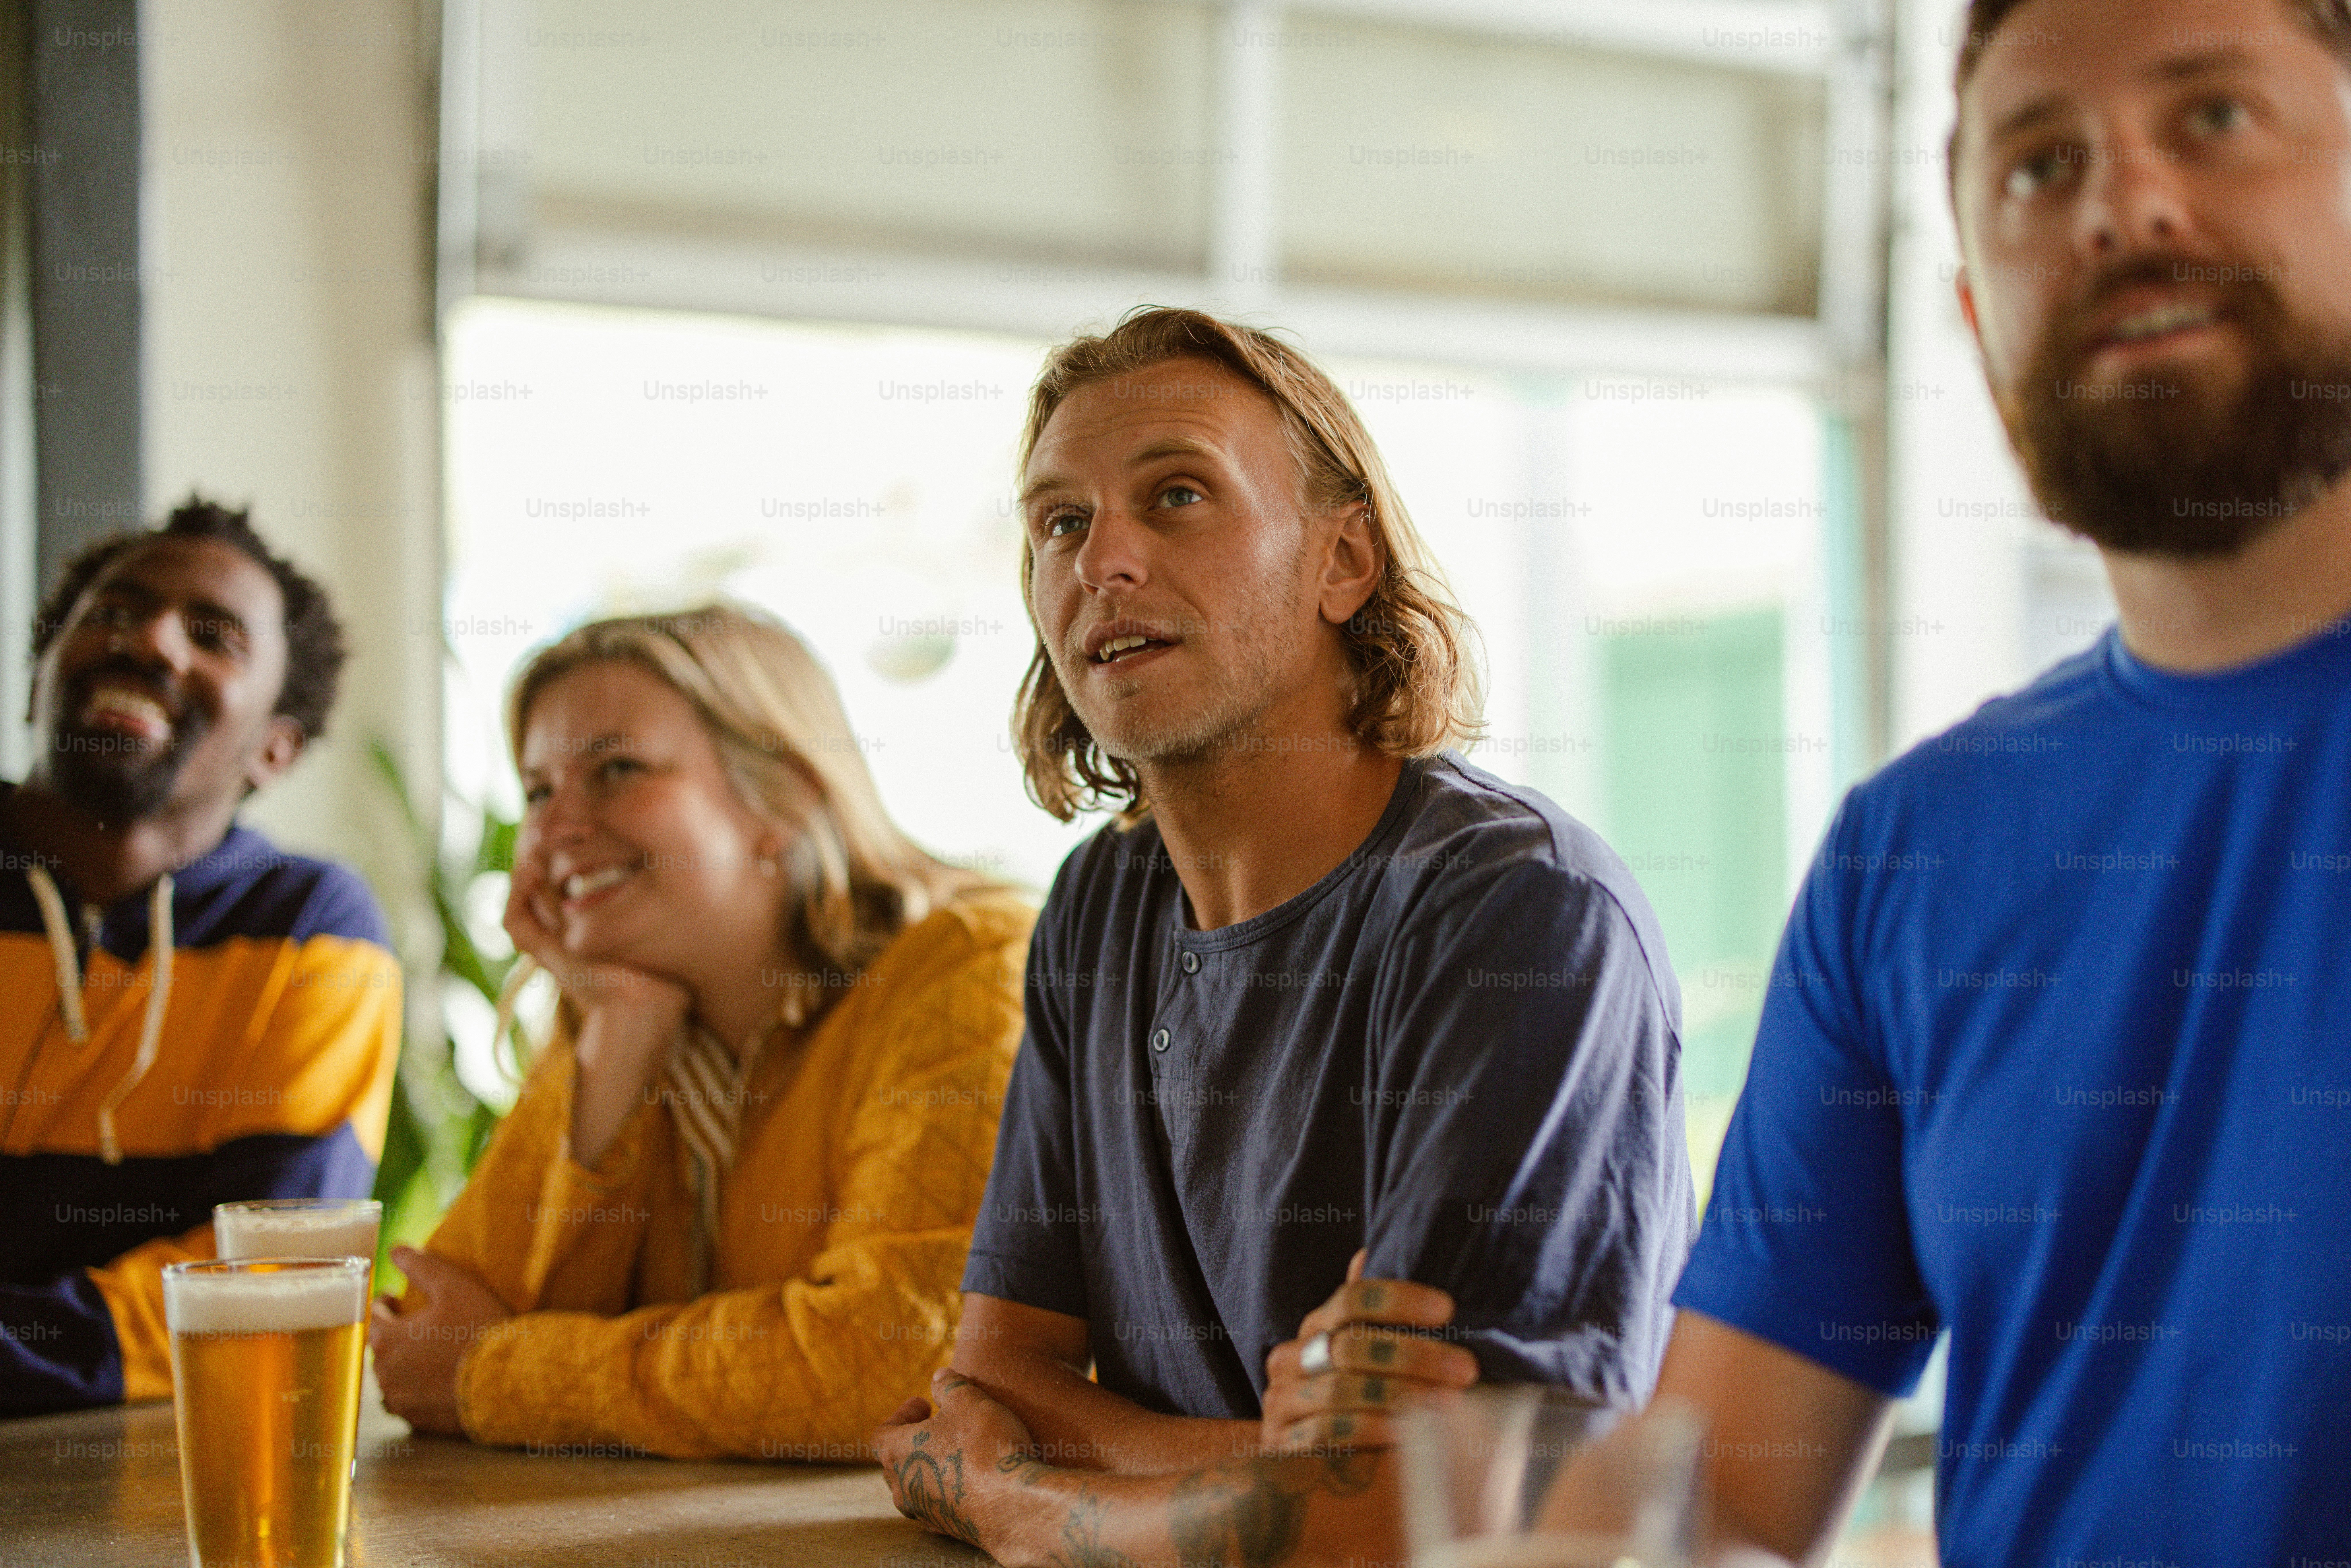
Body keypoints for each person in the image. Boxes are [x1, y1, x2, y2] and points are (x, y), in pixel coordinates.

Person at [1563, 1, 2351, 1562]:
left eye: (2211, 118)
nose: (2124, 203)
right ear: (1982, 328)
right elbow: (1718, 1490)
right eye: (2041, 164)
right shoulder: (1908, 855)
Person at [872, 308, 1694, 1566]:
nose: (1103, 561)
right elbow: (992, 1374)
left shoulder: (1521, 915)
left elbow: (1429, 1515)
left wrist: (1025, 1502)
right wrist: (1279, 1458)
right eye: (1059, 522)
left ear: (1342, 563)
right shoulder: (1094, 905)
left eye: (1179, 494)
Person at [368, 606, 1033, 1461]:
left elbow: (891, 1370)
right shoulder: (625, 1008)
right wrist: (619, 1038)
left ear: (781, 799)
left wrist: (497, 1376)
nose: (553, 829)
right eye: (537, 790)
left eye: (616, 770)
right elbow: (431, 1330)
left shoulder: (969, 969)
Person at [0, 499, 401, 1416]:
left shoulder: (312, 927)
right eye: (111, 612)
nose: (151, 644)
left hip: (155, 1484)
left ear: (276, 746)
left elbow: (269, 1276)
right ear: (39, 675)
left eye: (214, 636)